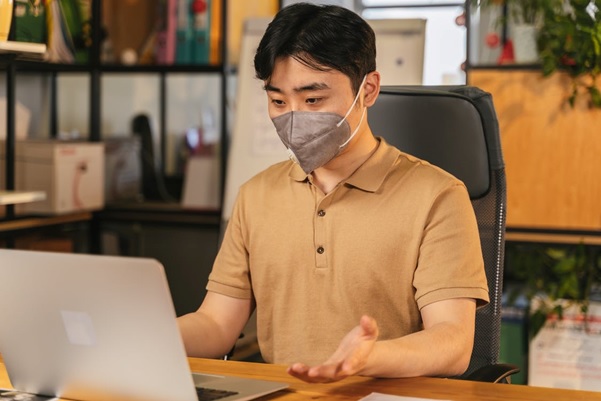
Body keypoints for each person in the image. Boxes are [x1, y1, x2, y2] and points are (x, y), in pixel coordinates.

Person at [178, 2, 489, 384]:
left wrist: (371, 357)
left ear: (368, 90)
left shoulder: (438, 196)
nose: (293, 116)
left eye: (313, 100)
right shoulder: (255, 196)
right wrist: (152, 335)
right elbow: (216, 324)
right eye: (278, 101)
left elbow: (454, 343)